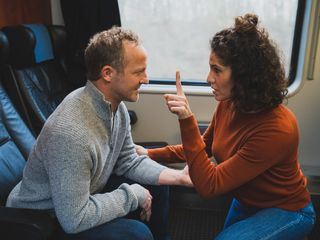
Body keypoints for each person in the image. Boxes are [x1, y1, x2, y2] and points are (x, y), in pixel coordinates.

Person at [135, 14, 316, 239]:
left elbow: (210, 185)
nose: (208, 78)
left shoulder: (278, 129)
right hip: (247, 202)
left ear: (243, 76)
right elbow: (202, 146)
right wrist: (149, 154)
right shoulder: (230, 103)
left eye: (217, 70)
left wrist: (187, 120)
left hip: (287, 210)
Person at [6, 26, 192, 240]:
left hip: (79, 199)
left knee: (158, 184)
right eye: (138, 72)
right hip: (45, 219)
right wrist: (132, 195)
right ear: (108, 74)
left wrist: (179, 177)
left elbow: (128, 160)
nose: (146, 79)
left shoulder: (116, 107)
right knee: (136, 234)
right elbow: (74, 218)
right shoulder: (71, 133)